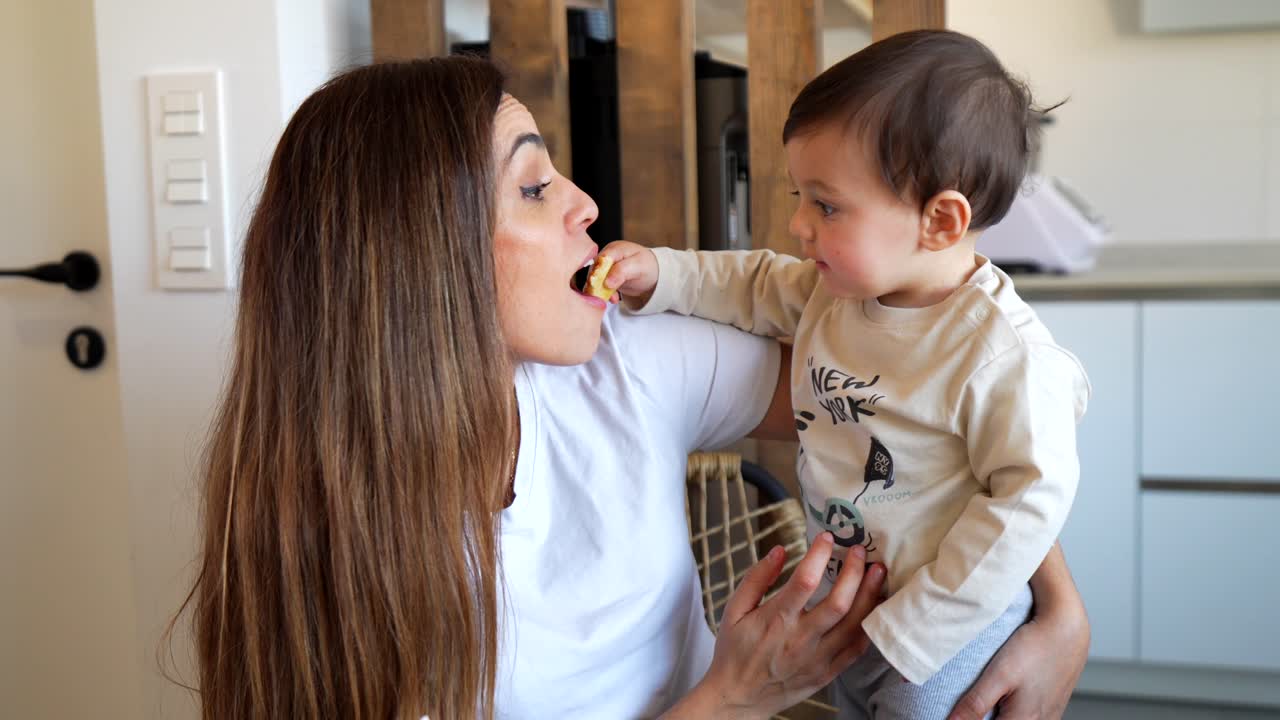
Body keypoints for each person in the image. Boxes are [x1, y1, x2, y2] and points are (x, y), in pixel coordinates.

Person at [170, 55, 1089, 720]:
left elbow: (916, 415)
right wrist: (733, 697)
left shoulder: (624, 363)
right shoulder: (343, 549)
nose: (585, 204)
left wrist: (1058, 611)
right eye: (533, 189)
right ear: (420, 263)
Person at [602, 30, 1090, 720]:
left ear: (940, 221)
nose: (798, 224)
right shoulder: (836, 293)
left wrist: (914, 630)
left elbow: (1025, 505)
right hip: (852, 602)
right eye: (799, 195)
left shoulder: (1004, 357)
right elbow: (752, 283)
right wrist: (662, 274)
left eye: (826, 205)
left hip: (948, 633)